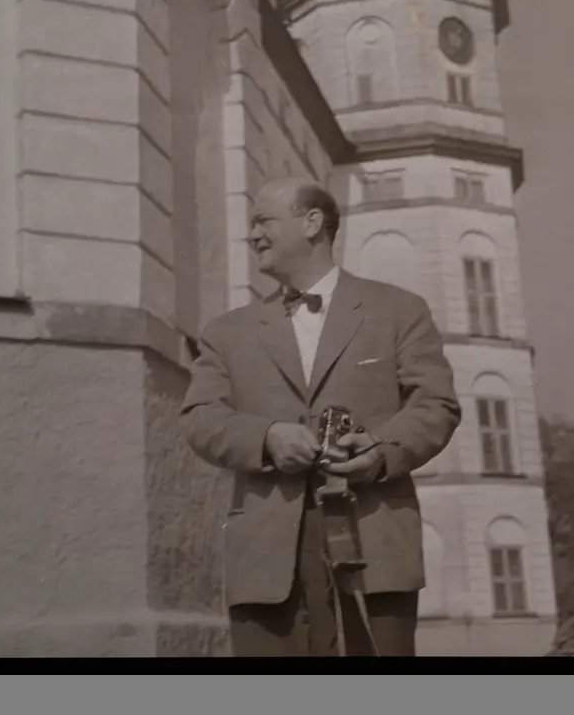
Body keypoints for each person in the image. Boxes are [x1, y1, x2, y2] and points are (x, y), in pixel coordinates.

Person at [179, 177, 462, 657]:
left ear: (312, 223)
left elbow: (436, 405)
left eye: (263, 221)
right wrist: (266, 437)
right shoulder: (226, 332)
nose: (253, 234)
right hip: (266, 560)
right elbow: (199, 416)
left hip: (373, 547)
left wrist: (378, 450)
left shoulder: (399, 311)